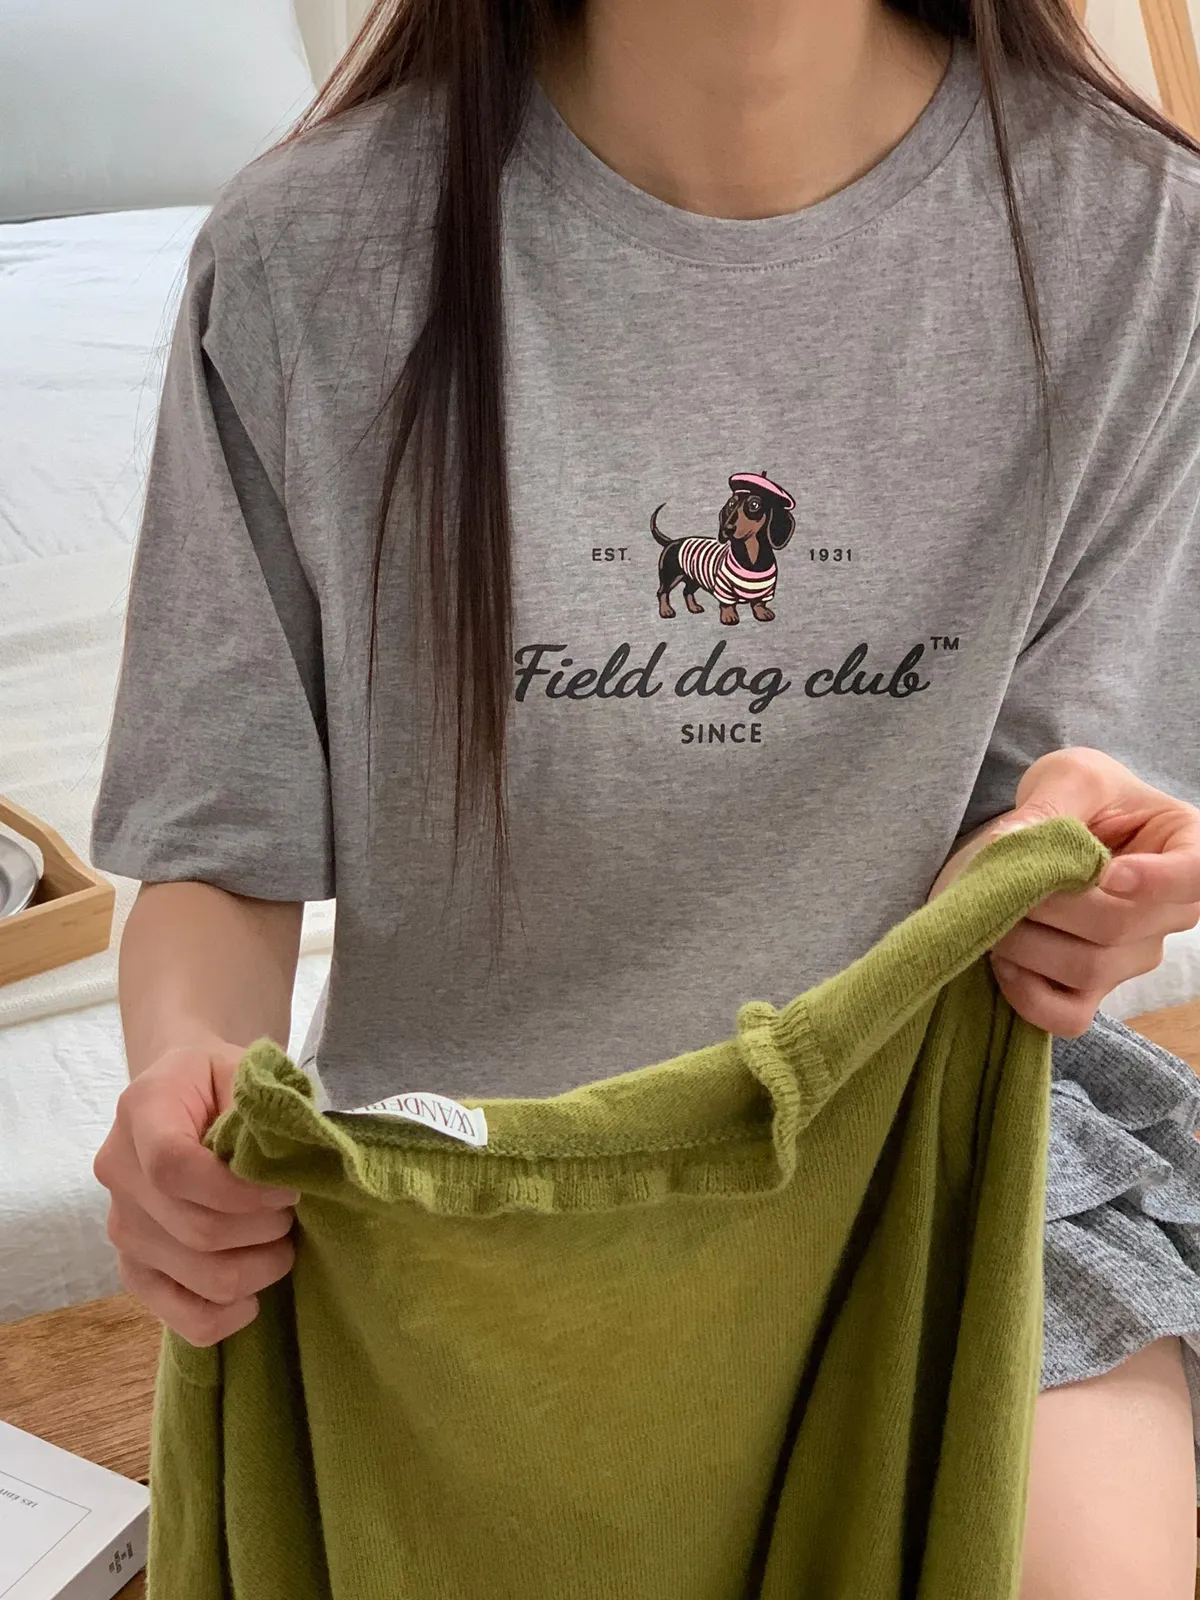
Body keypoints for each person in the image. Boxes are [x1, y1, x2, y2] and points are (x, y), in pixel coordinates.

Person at [88, 0, 1200, 1593]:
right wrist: (186, 1078)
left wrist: (1071, 875)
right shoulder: (305, 259)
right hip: (460, 1197)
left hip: (938, 1175)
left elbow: (1059, 810)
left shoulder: (1141, 243)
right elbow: (222, 844)